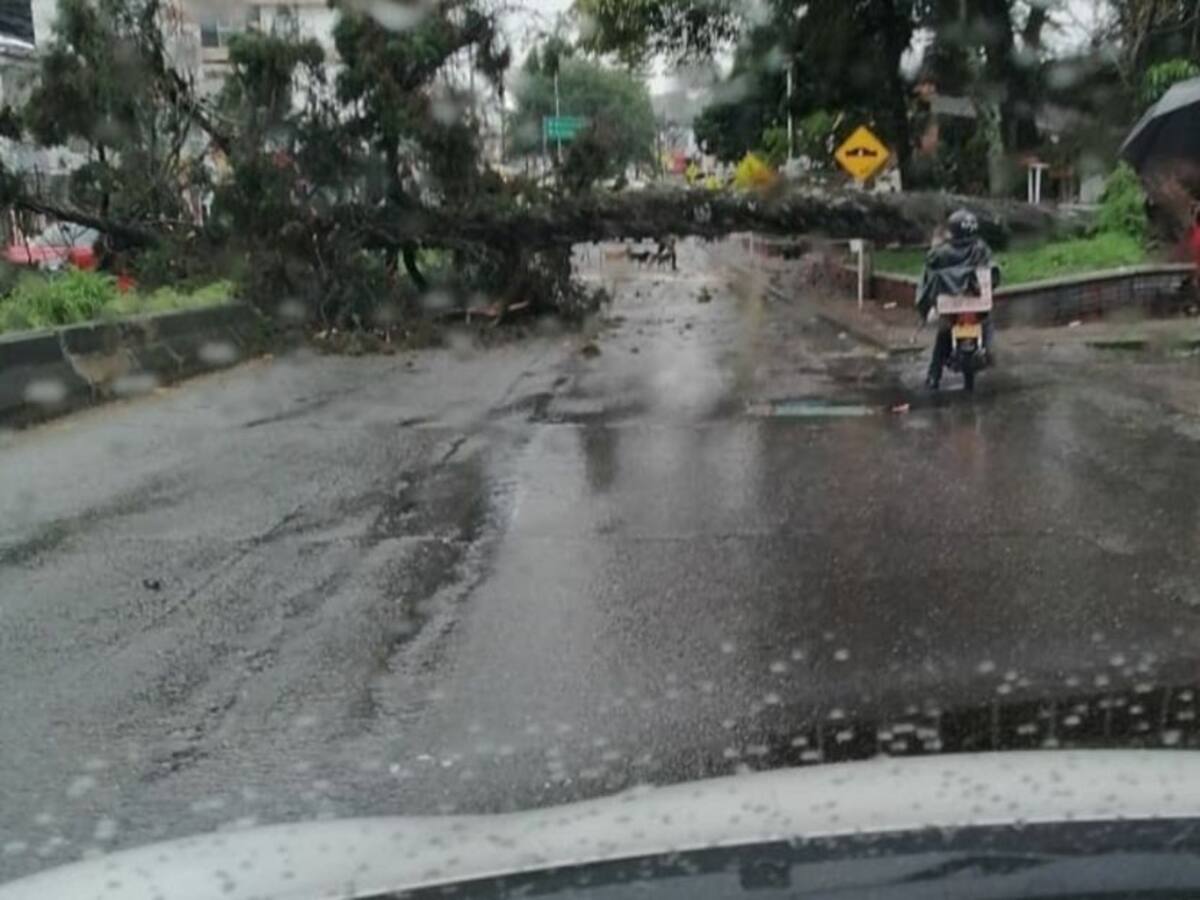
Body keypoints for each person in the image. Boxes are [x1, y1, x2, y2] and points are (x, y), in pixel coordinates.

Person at [915, 209, 994, 390]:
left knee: (943, 336)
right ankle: (989, 355)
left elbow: (929, 267)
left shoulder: (942, 252)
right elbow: (991, 268)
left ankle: (934, 376)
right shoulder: (980, 248)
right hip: (977, 303)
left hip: (950, 305)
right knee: (988, 323)